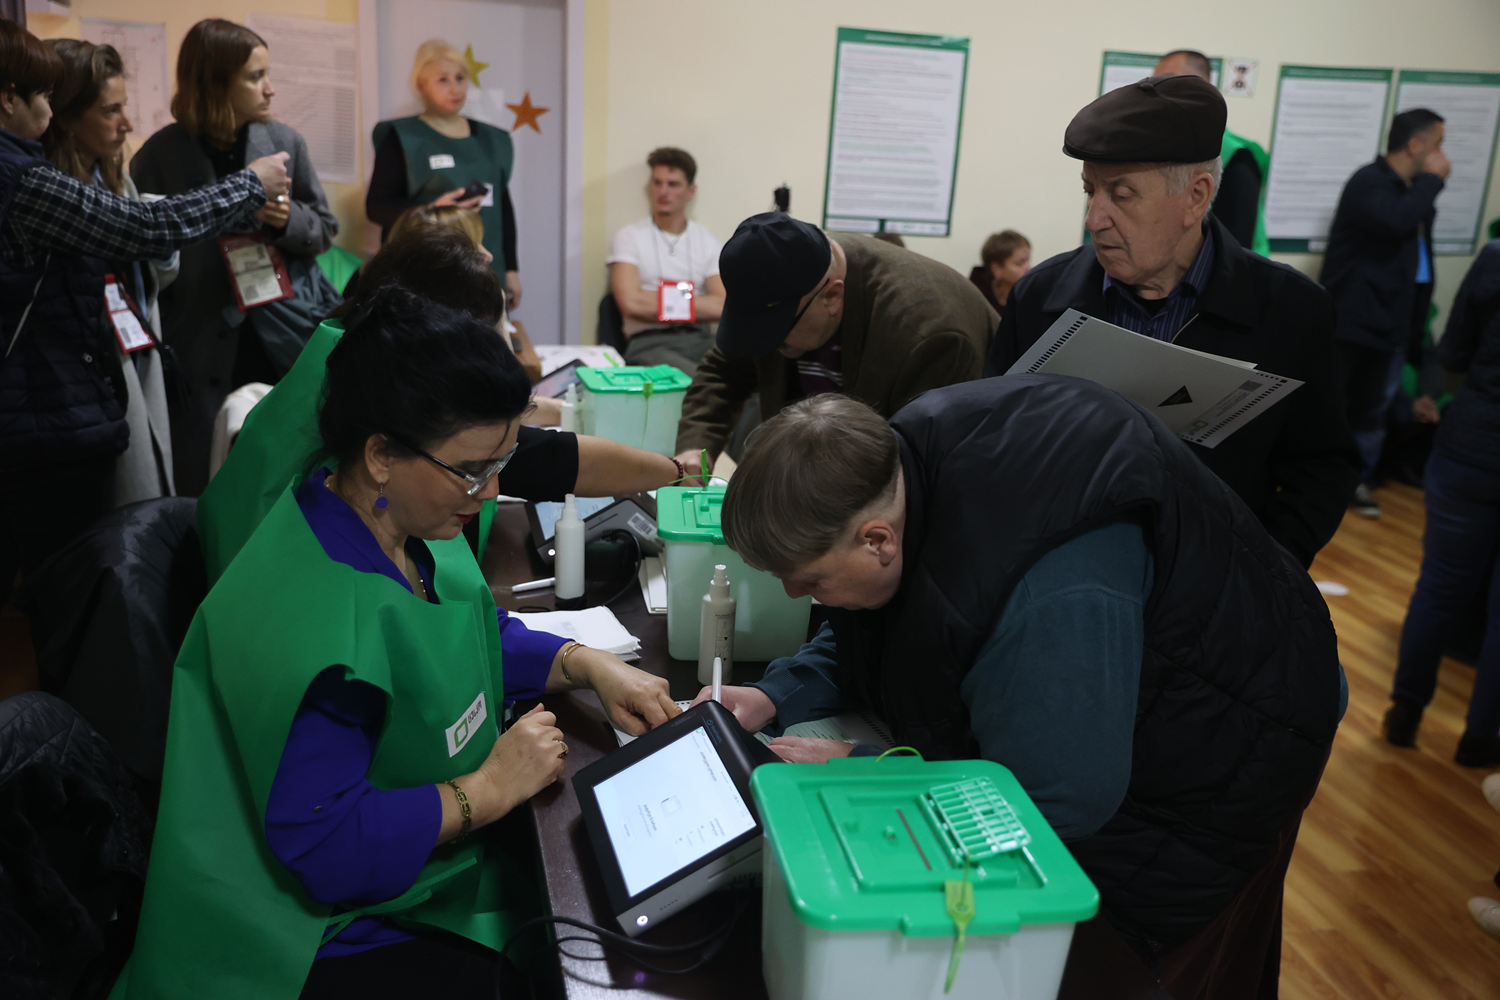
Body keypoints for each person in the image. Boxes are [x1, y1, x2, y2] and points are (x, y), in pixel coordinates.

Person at [115, 287, 678, 998]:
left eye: (500, 463)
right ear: (381, 453)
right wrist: (486, 789)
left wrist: (585, 664)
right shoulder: (319, 627)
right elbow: (326, 847)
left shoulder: (396, 521)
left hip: (406, 869)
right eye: (472, 469)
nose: (488, 489)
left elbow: (457, 631)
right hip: (306, 932)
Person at [700, 387, 1342, 1000]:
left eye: (807, 579)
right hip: (1118, 691)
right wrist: (778, 693)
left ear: (877, 539)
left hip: (1232, 743)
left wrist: (866, 775)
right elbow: (886, 618)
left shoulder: (1044, 595)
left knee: (1125, 974)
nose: (794, 595)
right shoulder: (898, 467)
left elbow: (1059, 798)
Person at [984, 75, 1358, 568]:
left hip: (1215, 592)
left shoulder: (1291, 309)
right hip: (1063, 574)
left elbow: (1322, 465)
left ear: (1196, 197)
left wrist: (1264, 567)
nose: (1095, 217)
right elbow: (991, 437)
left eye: (1121, 194)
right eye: (1089, 190)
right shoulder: (1040, 297)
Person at [199, 226, 685, 584]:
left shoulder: (347, 352)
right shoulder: (372, 398)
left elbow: (532, 458)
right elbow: (539, 460)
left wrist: (677, 471)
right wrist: (678, 472)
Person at [0, 19, 290, 603]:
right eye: (44, 97)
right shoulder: (25, 179)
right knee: (69, 590)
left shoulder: (76, 174)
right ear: (9, 100)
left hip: (60, 415)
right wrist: (249, 185)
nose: (51, 111)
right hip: (43, 428)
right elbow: (147, 229)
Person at [132, 18, 340, 497]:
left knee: (293, 477)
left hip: (282, 338)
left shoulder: (285, 142)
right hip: (200, 344)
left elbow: (325, 230)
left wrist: (286, 221)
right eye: (254, 77)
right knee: (213, 485)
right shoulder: (158, 156)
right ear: (214, 82)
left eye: (268, 74)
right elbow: (145, 256)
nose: (270, 89)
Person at [673, 212, 998, 481]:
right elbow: (726, 372)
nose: (770, 345)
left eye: (778, 333)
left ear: (831, 297)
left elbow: (918, 472)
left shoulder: (928, 334)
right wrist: (695, 447)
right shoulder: (785, 271)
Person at [42, 38, 178, 504]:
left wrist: (161, 246)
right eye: (110, 110)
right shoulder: (48, 193)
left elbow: (151, 278)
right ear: (66, 115)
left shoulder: (119, 180)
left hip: (136, 358)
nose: (128, 124)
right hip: (86, 384)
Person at [1383, 237, 1500, 765]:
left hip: (1471, 444)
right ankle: (1479, 739)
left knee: (1439, 588)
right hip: (1474, 448)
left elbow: (1453, 351)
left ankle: (1403, 714)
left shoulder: (1496, 255)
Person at [1321, 108, 1450, 519]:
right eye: (1438, 145)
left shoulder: (1417, 196)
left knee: (1372, 413)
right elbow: (1395, 222)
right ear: (1416, 145)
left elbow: (1419, 261)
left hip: (1392, 324)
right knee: (1332, 408)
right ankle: (1318, 481)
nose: (1443, 157)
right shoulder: (1369, 183)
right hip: (1352, 323)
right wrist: (1431, 182)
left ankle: (1357, 481)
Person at [367, 39, 520, 306]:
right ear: (420, 86)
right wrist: (431, 210)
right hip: (424, 271)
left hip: (486, 266)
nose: (455, 88)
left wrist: (512, 271)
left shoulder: (493, 140)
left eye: (460, 78)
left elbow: (503, 209)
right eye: (443, 80)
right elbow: (377, 207)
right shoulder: (401, 138)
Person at [606, 147, 726, 375]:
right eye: (657, 183)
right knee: (697, 383)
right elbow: (631, 303)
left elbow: (723, 305)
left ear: (691, 190)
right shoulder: (629, 237)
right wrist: (700, 301)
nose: (663, 192)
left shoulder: (707, 241)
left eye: (673, 184)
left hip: (700, 339)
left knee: (750, 380)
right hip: (649, 342)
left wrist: (652, 298)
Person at [1153, 49, 1271, 256]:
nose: (1160, 92)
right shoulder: (1168, 146)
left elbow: (1236, 245)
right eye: (1155, 84)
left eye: (1169, 81)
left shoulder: (1236, 155)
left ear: (1204, 86)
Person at [968, 229, 1031, 314]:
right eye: (1020, 263)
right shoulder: (972, 299)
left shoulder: (1032, 296)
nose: (1029, 268)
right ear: (996, 270)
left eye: (1028, 261)